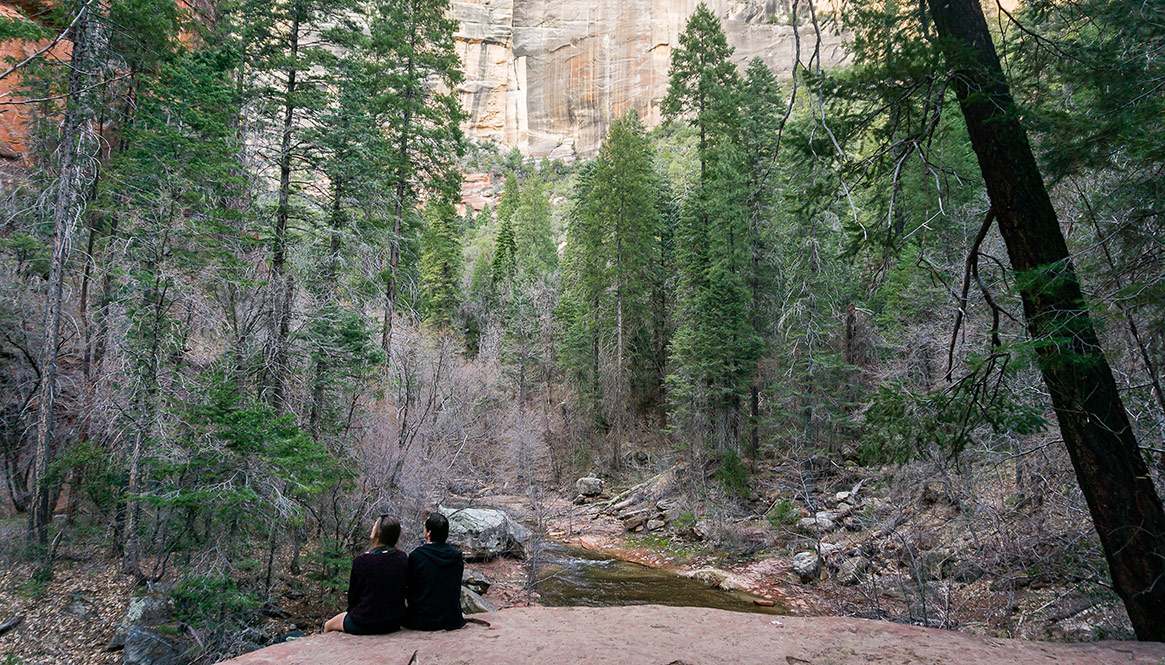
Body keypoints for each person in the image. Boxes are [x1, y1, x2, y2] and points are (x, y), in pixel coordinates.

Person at [324, 515, 408, 635]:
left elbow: (353, 597)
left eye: (375, 525)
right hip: (394, 621)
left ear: (378, 533)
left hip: (365, 622)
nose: (372, 527)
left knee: (328, 625)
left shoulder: (363, 560)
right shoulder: (402, 557)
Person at [404, 512, 466, 631]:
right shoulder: (457, 557)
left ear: (429, 533)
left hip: (421, 620)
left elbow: (409, 588)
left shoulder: (417, 556)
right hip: (452, 619)